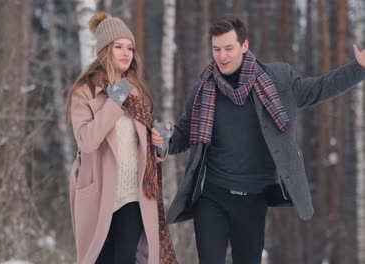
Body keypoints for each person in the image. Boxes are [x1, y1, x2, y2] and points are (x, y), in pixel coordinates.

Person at [151, 15, 365, 264]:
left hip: (253, 200)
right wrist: (164, 140)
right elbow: (184, 135)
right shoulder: (202, 91)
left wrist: (357, 69)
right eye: (217, 49)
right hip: (212, 196)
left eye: (229, 48)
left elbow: (319, 88)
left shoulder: (277, 80)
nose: (222, 56)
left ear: (244, 45)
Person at [66, 12, 178, 264]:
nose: (126, 53)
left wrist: (160, 144)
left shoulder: (135, 92)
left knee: (126, 259)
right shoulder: (83, 93)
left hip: (133, 195)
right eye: (118, 47)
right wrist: (115, 101)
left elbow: (145, 147)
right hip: (99, 194)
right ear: (105, 50)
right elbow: (86, 141)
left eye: (130, 47)